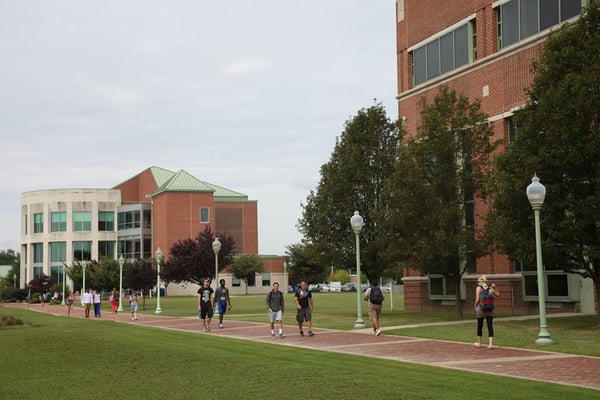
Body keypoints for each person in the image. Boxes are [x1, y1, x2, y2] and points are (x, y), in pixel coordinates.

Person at [474, 275, 500, 349]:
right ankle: (490, 344)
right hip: (490, 310)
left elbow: (477, 299)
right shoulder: (490, 289)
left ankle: (479, 343)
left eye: (479, 281)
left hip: (481, 310)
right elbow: (498, 294)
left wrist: (475, 306)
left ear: (480, 282)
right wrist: (495, 287)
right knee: (490, 326)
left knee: (480, 326)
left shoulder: (478, 288)